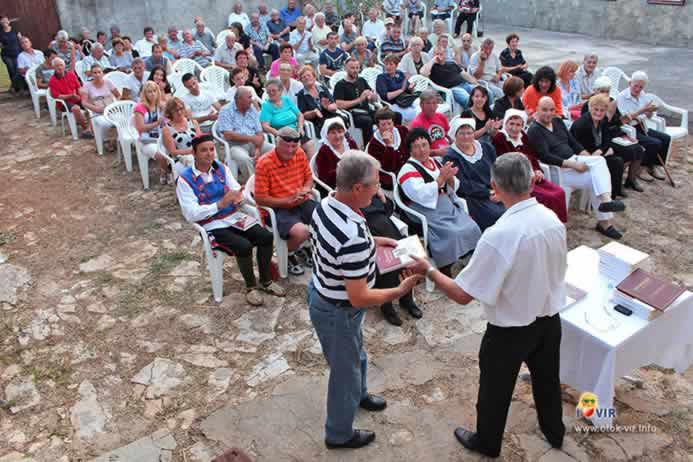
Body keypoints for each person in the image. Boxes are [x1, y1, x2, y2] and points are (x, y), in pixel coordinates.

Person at [403, 152, 568, 460]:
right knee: (547, 380)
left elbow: (463, 294)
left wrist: (428, 269)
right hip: (549, 320)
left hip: (510, 329)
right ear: (532, 180)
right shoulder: (551, 218)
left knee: (495, 390)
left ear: (494, 186)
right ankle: (554, 431)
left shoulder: (499, 235)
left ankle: (488, 442)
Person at [309, 150, 423, 449]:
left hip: (326, 297)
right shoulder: (353, 238)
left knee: (355, 355)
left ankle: (358, 396)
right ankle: (338, 434)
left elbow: (339, 244)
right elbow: (359, 297)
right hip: (339, 309)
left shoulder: (325, 204)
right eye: (374, 184)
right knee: (344, 372)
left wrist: (374, 242)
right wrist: (399, 292)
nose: (379, 189)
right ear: (357, 188)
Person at [177, 134, 285, 306]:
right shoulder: (185, 179)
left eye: (212, 149)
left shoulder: (221, 169)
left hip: (233, 217)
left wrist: (238, 198)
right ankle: (251, 287)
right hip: (211, 224)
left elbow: (235, 189)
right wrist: (219, 205)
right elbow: (191, 214)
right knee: (244, 246)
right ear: (194, 153)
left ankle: (266, 281)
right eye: (204, 150)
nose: (209, 154)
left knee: (265, 236)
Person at [527, 97, 626, 239]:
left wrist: (586, 157)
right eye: (544, 110)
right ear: (537, 109)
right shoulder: (535, 130)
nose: (548, 113)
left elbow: (572, 142)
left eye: (551, 110)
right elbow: (545, 156)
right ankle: (606, 202)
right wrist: (573, 164)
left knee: (596, 175)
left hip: (574, 162)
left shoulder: (557, 121)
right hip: (559, 170)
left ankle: (605, 221)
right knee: (599, 163)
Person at [397, 128, 481, 273]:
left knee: (472, 226)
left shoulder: (435, 162)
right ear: (410, 150)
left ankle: (468, 259)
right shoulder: (407, 169)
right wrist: (441, 178)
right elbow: (419, 194)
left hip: (444, 205)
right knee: (452, 233)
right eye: (416, 147)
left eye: (425, 145)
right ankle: (448, 266)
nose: (422, 150)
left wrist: (449, 178)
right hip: (424, 209)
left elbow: (453, 186)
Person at [255, 127, 316, 274]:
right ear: (277, 144)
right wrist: (286, 201)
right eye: (285, 145)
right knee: (301, 232)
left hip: (300, 201)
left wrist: (306, 189)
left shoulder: (300, 153)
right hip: (277, 208)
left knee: (327, 217)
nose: (290, 150)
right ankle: (286, 254)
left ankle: (303, 246)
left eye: (294, 146)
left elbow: (309, 178)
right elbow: (260, 198)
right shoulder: (264, 163)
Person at [492, 110, 567, 222]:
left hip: (532, 176)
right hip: (517, 181)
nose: (514, 128)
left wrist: (537, 170)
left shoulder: (523, 137)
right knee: (547, 197)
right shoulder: (500, 138)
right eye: (511, 124)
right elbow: (505, 165)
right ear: (505, 124)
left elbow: (532, 156)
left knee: (559, 192)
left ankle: (557, 223)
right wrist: (528, 175)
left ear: (522, 126)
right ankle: (543, 223)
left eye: (518, 125)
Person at [571, 94, 646, 198]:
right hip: (583, 157)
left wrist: (601, 150)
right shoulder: (582, 124)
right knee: (616, 162)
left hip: (597, 153)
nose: (598, 113)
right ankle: (610, 196)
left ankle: (616, 189)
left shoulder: (602, 121)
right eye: (596, 109)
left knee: (627, 154)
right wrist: (599, 153)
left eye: (602, 110)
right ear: (590, 108)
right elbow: (576, 146)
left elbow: (607, 140)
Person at [443, 118, 505, 230]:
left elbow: (497, 169)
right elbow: (463, 185)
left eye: (469, 133)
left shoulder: (485, 147)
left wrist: (500, 190)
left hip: (495, 190)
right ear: (455, 135)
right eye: (462, 133)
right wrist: (489, 193)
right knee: (497, 215)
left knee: (515, 206)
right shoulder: (451, 156)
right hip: (474, 197)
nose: (466, 136)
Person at [616, 71, 670, 182]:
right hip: (630, 129)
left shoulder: (642, 94)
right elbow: (625, 119)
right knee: (654, 143)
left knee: (665, 138)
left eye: (641, 87)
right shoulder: (622, 97)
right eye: (635, 86)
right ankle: (641, 168)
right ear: (630, 83)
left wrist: (650, 111)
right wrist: (643, 110)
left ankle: (653, 165)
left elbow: (648, 116)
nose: (637, 89)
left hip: (642, 126)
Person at [261, 80, 315, 158]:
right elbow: (265, 125)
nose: (271, 93)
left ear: (280, 91)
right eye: (269, 91)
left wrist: (300, 127)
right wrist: (277, 133)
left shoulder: (286, 100)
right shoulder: (266, 106)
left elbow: (300, 115)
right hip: (282, 134)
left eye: (274, 90)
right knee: (296, 147)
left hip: (296, 130)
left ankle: (310, 169)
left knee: (310, 144)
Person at [334, 58, 379, 144]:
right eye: (352, 68)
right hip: (353, 114)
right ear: (346, 68)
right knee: (367, 121)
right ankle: (368, 148)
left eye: (357, 68)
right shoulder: (340, 85)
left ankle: (386, 143)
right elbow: (339, 104)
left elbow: (373, 96)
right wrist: (360, 99)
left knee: (390, 115)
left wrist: (372, 96)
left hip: (367, 110)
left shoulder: (361, 80)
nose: (355, 70)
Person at [48, 57, 93, 139]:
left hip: (76, 97)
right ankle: (86, 128)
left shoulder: (71, 74)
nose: (59, 67)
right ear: (54, 68)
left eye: (61, 65)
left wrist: (81, 97)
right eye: (57, 66)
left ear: (64, 66)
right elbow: (57, 96)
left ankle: (90, 128)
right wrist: (71, 96)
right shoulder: (52, 80)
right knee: (76, 108)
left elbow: (79, 87)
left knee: (90, 103)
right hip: (64, 102)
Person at [366, 108, 410, 190]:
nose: (387, 127)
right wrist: (389, 146)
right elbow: (387, 167)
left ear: (393, 123)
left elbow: (411, 149)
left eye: (389, 123)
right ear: (378, 126)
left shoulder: (402, 130)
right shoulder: (373, 144)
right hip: (390, 176)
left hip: (409, 168)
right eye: (383, 124)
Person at [80, 63, 121, 149]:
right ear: (91, 74)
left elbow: (118, 95)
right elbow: (84, 102)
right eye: (95, 73)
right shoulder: (87, 85)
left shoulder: (108, 82)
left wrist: (116, 105)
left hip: (110, 109)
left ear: (102, 73)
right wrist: (95, 109)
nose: (97, 74)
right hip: (97, 111)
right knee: (105, 124)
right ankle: (105, 140)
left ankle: (117, 140)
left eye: (99, 72)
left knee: (123, 120)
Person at [133, 82, 168, 183]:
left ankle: (172, 171)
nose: (152, 94)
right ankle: (164, 172)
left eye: (154, 91)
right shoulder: (139, 108)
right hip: (146, 140)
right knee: (161, 154)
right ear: (145, 93)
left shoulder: (160, 106)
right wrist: (157, 123)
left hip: (161, 136)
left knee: (175, 148)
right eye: (149, 92)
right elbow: (141, 128)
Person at [314, 117, 359, 190]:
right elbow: (325, 179)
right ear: (326, 135)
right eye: (333, 133)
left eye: (340, 131)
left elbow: (360, 161)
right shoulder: (324, 151)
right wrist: (343, 169)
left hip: (355, 182)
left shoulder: (350, 143)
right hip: (333, 188)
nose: (337, 136)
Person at [162, 96, 202, 176]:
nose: (179, 112)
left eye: (181, 108)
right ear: (170, 112)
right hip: (178, 158)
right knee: (193, 164)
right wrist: (191, 151)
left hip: (196, 154)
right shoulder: (167, 129)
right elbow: (173, 152)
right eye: (176, 110)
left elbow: (201, 141)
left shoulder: (193, 122)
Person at [296, 65, 341, 135]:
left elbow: (334, 106)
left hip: (330, 115)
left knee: (339, 120)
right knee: (329, 125)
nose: (306, 78)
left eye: (308, 75)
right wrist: (314, 112)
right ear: (301, 81)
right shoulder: (301, 95)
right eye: (303, 77)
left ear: (314, 77)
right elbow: (303, 114)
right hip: (317, 121)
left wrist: (327, 107)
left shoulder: (323, 89)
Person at [376, 54, 417, 124]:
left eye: (391, 64)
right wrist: (401, 90)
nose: (388, 67)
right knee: (415, 113)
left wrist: (410, 87)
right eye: (386, 64)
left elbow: (407, 89)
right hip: (394, 103)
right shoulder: (381, 78)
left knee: (421, 104)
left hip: (406, 99)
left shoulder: (399, 74)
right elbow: (387, 96)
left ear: (396, 65)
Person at [410, 90, 450, 156]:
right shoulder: (417, 124)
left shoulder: (441, 117)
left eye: (434, 103)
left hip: (447, 152)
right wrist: (436, 152)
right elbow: (415, 151)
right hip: (431, 157)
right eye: (428, 103)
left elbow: (447, 135)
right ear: (421, 105)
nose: (431, 106)